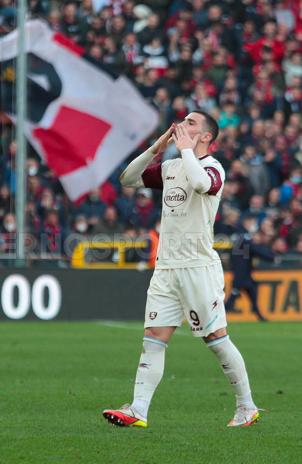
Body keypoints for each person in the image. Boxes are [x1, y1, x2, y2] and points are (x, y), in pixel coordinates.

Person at [103, 111, 261, 428]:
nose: (182, 124)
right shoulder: (171, 167)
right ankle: (138, 409)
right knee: (153, 338)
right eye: (183, 120)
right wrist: (156, 149)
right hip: (166, 268)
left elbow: (202, 184)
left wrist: (186, 150)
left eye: (190, 123)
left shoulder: (213, 167)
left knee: (216, 339)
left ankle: (247, 407)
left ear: (205, 136)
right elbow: (128, 179)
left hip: (198, 267)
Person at [225, 230, 277, 321]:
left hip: (245, 276)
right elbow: (258, 252)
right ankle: (220, 314)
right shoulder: (246, 242)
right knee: (234, 296)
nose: (258, 239)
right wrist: (272, 258)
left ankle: (259, 315)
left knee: (252, 294)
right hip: (240, 276)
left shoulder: (242, 243)